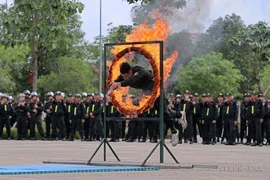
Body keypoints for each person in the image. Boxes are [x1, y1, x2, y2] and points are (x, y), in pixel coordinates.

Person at [107, 62, 178, 146]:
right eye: (123, 76)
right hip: (149, 94)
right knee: (162, 111)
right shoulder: (123, 76)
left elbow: (131, 80)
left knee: (164, 112)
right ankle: (179, 115)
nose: (124, 78)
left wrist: (120, 84)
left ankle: (174, 131)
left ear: (130, 72)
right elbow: (115, 83)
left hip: (157, 90)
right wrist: (109, 91)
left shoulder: (139, 71)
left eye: (125, 76)